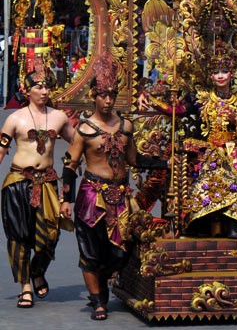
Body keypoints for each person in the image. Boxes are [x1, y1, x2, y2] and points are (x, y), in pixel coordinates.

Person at [60, 52, 172, 321]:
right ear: (93, 96)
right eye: (103, 95)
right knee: (90, 249)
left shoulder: (126, 126)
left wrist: (164, 162)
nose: (108, 100)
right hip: (91, 195)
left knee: (120, 251)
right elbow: (70, 166)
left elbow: (133, 159)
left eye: (112, 95)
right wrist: (66, 199)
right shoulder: (85, 130)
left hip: (121, 195)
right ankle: (98, 300)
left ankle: (101, 284)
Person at [0, 58, 75, 309]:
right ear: (27, 90)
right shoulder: (15, 119)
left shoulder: (59, 117)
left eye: (46, 86)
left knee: (50, 236)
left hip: (47, 184)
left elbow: (77, 148)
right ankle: (25, 287)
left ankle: (37, 270)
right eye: (38, 87)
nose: (44, 91)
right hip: (18, 182)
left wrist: (68, 185)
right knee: (19, 236)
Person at [181, 41, 237, 239]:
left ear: (231, 74)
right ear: (211, 77)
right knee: (209, 176)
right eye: (216, 72)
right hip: (211, 150)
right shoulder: (202, 99)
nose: (220, 75)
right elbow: (179, 112)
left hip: (236, 151)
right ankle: (209, 223)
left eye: (224, 71)